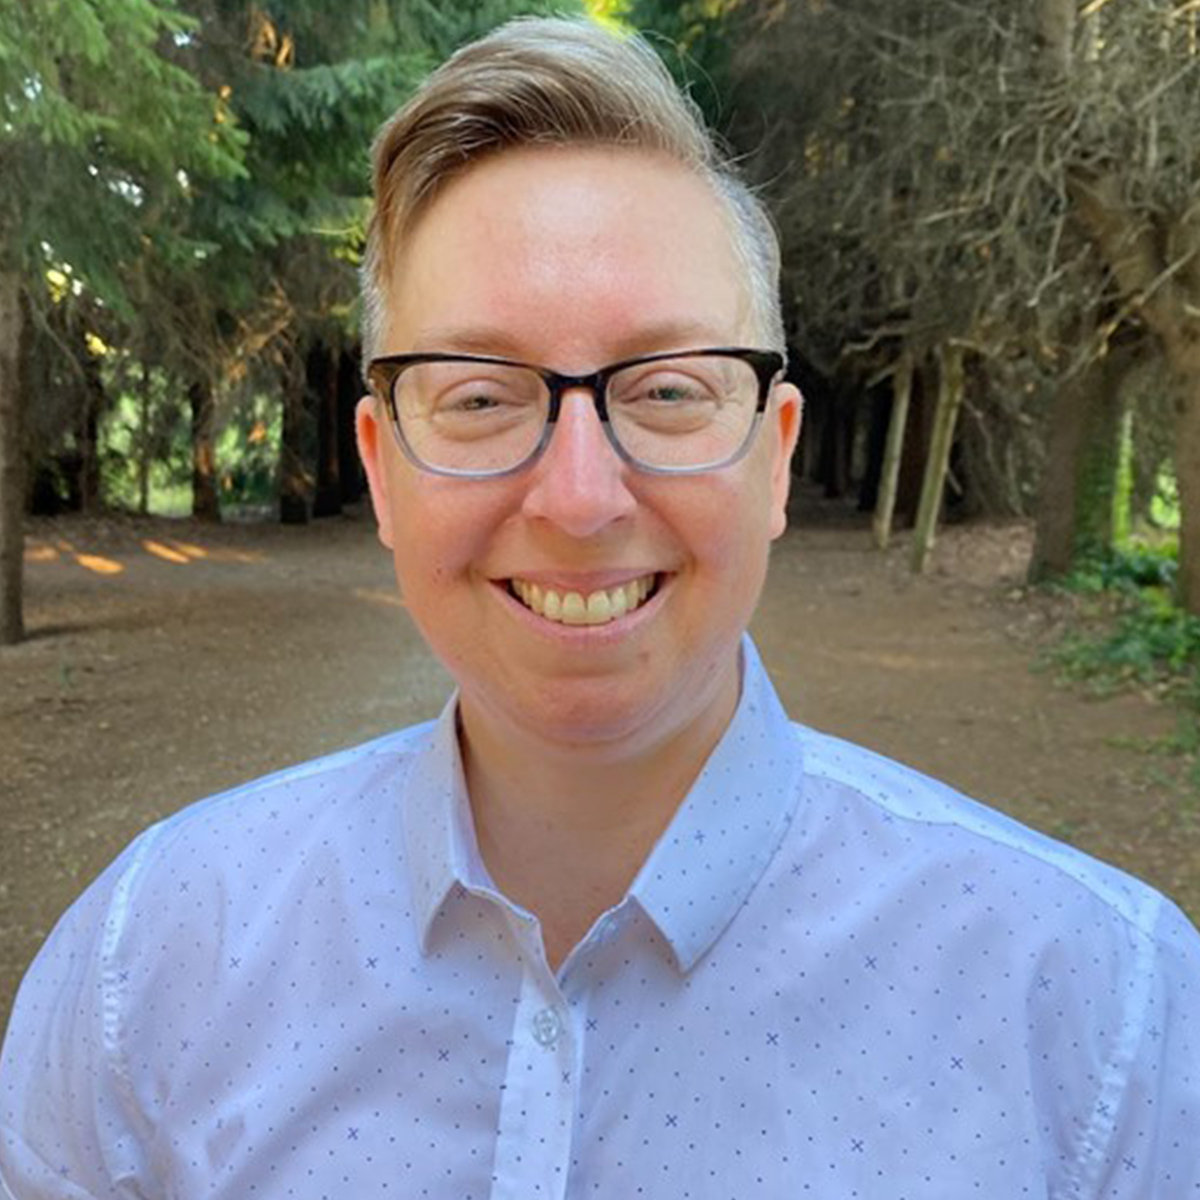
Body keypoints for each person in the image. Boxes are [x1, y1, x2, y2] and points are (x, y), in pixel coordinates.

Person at [2, 16, 1198, 1199]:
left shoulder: (1112, 1022)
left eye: (670, 389)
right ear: (380, 467)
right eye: (477, 397)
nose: (579, 498)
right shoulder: (144, 970)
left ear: (775, 457)